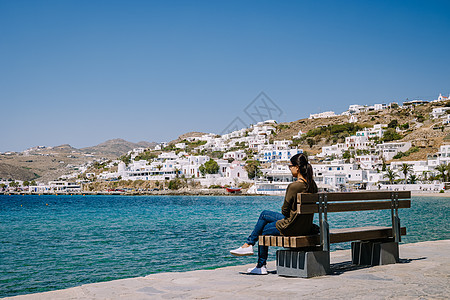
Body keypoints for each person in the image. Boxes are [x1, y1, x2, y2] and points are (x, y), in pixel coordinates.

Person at [230, 153, 318, 275]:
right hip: (306, 226)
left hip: (292, 227)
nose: (290, 169)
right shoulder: (313, 186)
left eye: (290, 166)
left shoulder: (294, 186)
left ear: (297, 167)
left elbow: (285, 212)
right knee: (265, 214)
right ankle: (248, 245)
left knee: (262, 229)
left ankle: (258, 261)